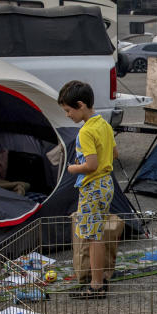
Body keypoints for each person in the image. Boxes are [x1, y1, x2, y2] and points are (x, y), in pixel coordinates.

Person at [58, 80, 118, 299]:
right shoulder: (104, 125)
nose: (67, 115)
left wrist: (74, 168)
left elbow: (90, 165)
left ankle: (96, 285)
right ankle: (98, 280)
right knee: (97, 233)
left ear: (80, 105)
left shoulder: (85, 132)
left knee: (93, 237)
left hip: (93, 187)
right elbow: (115, 154)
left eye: (68, 110)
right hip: (106, 184)